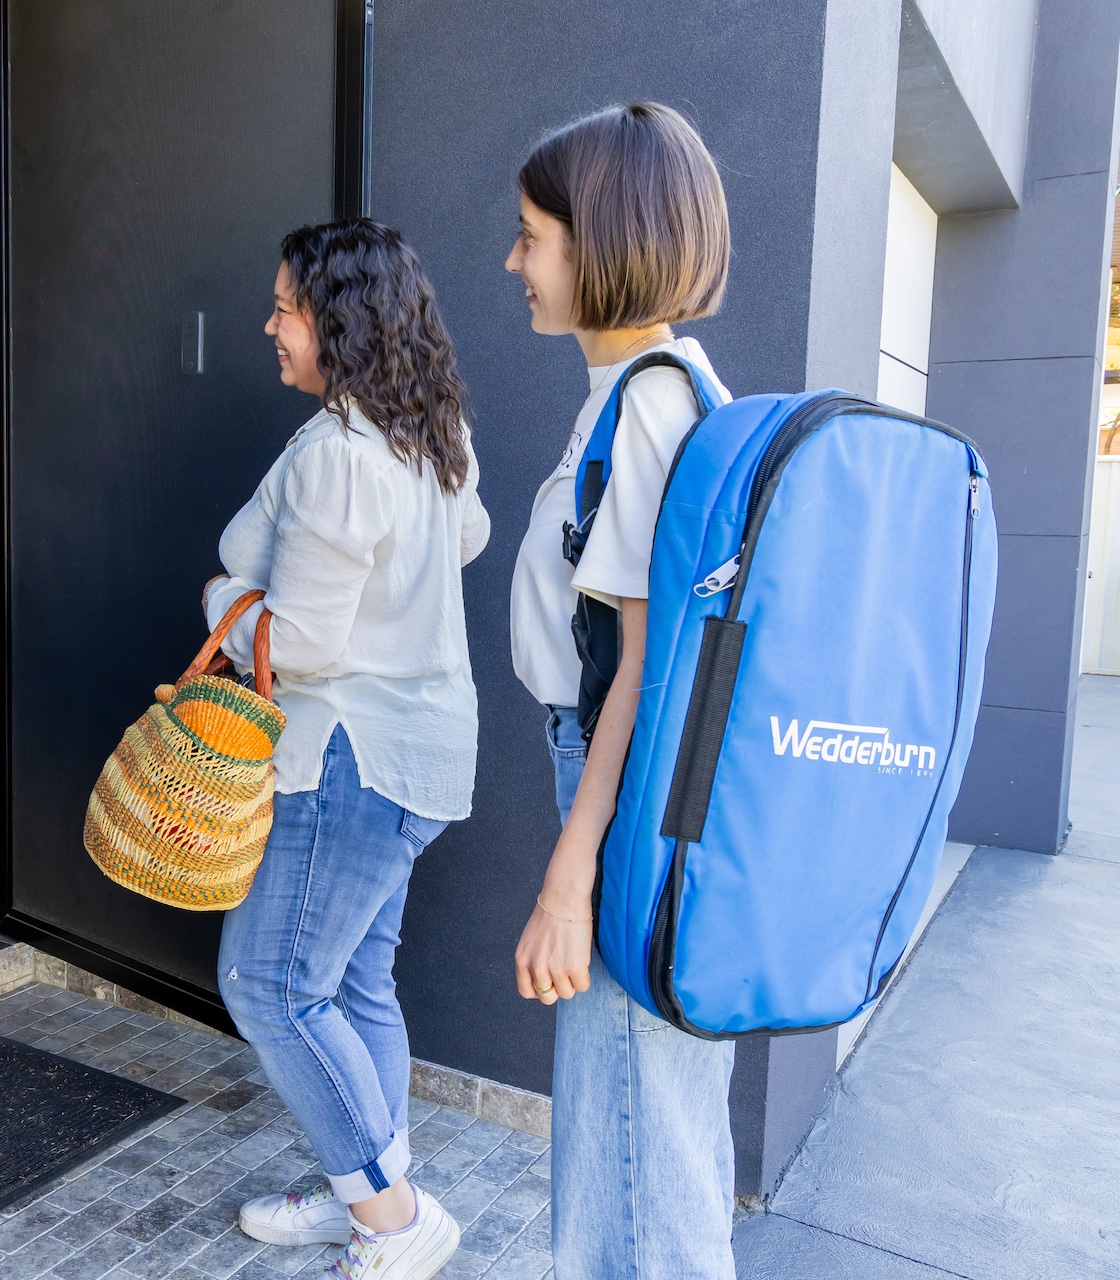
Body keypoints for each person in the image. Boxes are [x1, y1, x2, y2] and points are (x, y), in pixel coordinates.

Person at [209, 219, 490, 1280]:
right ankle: (364, 1185)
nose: (270, 324)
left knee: (272, 983)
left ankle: (390, 1212)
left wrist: (222, 602)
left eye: (284, 306)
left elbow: (305, 645)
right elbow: (467, 536)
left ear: (338, 321)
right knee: (356, 980)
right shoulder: (426, 431)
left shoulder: (337, 453)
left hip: (343, 760)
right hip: (418, 757)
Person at [503, 102, 736, 1279]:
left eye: (533, 236)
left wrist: (570, 867)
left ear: (600, 243)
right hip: (627, 783)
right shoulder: (658, 387)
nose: (515, 262)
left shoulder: (650, 403)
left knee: (634, 1132)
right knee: (644, 1123)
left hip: (619, 785)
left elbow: (646, 672)